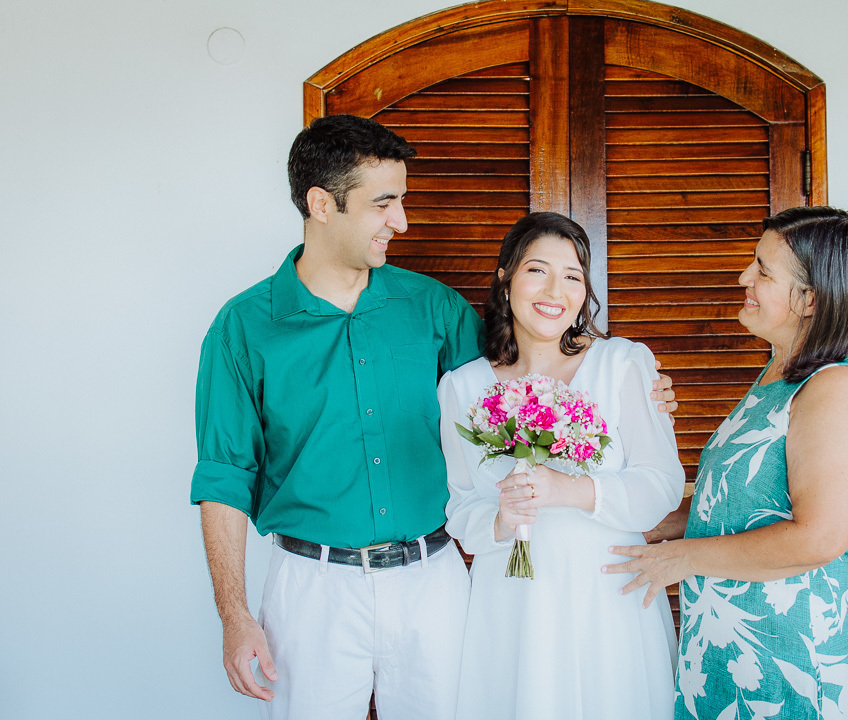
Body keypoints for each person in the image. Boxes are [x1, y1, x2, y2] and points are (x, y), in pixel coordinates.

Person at [190, 115, 677, 720]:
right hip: (310, 584)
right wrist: (234, 616)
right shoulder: (242, 328)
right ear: (321, 204)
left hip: (433, 578)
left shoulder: (435, 308)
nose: (402, 221)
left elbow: (519, 381)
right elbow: (224, 476)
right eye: (384, 204)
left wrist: (633, 389)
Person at [604, 206, 848, 720]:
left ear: (811, 299)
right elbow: (739, 503)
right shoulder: (778, 374)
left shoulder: (836, 388)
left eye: (763, 270)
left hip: (783, 664)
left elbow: (819, 538)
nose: (744, 278)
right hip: (722, 656)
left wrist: (679, 559)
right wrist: (640, 523)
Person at [437, 212, 686, 720]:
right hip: (511, 602)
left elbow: (662, 485)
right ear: (506, 278)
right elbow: (461, 508)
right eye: (537, 271)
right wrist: (501, 519)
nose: (555, 289)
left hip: (607, 593)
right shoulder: (461, 387)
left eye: (572, 276)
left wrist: (567, 490)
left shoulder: (624, 363)